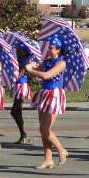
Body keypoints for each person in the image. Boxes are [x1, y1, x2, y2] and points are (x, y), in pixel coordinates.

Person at [25, 36, 69, 170]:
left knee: (45, 128)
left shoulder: (61, 63)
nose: (49, 50)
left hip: (54, 94)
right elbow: (38, 70)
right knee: (43, 129)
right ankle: (48, 159)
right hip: (44, 93)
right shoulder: (47, 61)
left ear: (58, 50)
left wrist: (31, 70)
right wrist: (32, 66)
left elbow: (46, 75)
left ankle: (61, 150)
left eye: (51, 48)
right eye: (48, 48)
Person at [10, 42, 37, 144]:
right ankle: (22, 134)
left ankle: (23, 134)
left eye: (19, 50)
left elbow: (20, 74)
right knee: (16, 111)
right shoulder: (20, 60)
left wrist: (10, 79)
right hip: (18, 85)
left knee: (15, 111)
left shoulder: (25, 61)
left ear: (23, 51)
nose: (17, 51)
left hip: (21, 86)